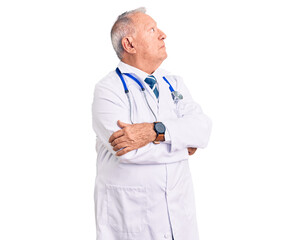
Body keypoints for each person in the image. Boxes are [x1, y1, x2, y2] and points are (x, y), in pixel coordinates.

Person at [92, 7, 212, 240]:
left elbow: (203, 130)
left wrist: (154, 132)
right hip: (131, 220)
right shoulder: (108, 90)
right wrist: (180, 141)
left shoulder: (173, 82)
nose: (163, 34)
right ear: (129, 44)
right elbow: (126, 151)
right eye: (152, 30)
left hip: (179, 219)